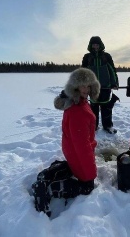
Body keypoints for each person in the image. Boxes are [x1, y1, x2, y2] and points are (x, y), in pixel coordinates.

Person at [54, 67, 100, 196]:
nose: (86, 90)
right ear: (75, 88)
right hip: (78, 153)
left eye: (89, 86)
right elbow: (82, 146)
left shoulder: (80, 102)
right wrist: (91, 173)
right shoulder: (77, 110)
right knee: (87, 187)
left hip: (74, 150)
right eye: (82, 86)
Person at [82, 36, 119, 134]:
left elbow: (112, 70)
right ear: (91, 45)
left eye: (97, 44)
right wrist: (83, 85)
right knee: (93, 108)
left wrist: (114, 82)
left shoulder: (106, 56)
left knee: (106, 107)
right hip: (92, 87)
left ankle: (108, 126)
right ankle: (93, 126)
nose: (95, 46)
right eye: (93, 44)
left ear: (100, 45)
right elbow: (83, 72)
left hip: (106, 86)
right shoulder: (87, 57)